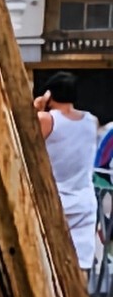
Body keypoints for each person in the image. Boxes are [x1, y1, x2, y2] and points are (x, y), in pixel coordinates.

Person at [36, 72, 100, 271]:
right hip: (84, 200)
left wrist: (37, 106)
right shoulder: (92, 121)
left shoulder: (46, 119)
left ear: (50, 94)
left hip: (54, 199)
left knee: (49, 263)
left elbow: (21, 133)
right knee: (80, 265)